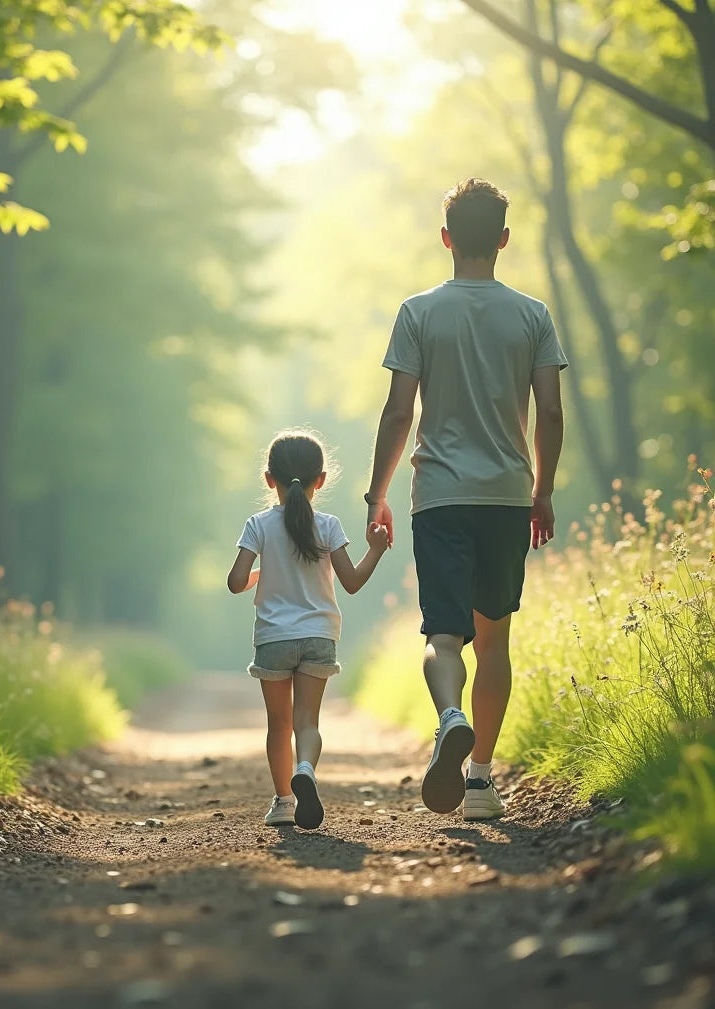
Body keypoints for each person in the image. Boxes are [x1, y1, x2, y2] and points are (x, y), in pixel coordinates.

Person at [364, 178, 567, 821]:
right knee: (495, 639)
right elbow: (551, 412)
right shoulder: (532, 315)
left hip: (441, 496)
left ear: (446, 237)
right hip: (507, 497)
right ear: (503, 240)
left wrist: (378, 494)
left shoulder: (418, 312)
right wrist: (543, 492)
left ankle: (450, 716)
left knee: (443, 634)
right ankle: (479, 778)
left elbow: (399, 413)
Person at [229, 430, 389, 829]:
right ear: (321, 480)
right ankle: (306, 768)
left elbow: (235, 581)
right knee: (307, 723)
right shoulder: (329, 525)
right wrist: (376, 548)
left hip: (273, 639)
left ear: (269, 479)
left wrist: (260, 573)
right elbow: (351, 582)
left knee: (278, 725)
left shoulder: (258, 524)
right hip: (319, 636)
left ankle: (284, 801)